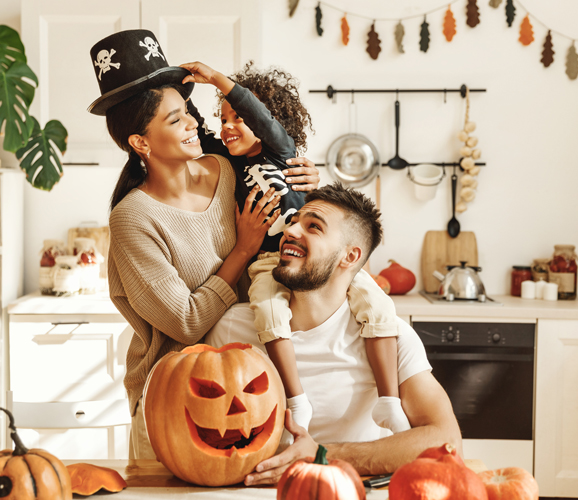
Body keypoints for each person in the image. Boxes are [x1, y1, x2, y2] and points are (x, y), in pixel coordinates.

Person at [85, 29, 318, 459]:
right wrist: (241, 252)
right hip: (177, 405)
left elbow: (271, 157)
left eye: (188, 111)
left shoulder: (226, 168)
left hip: (253, 393)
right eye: (175, 120)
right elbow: (187, 322)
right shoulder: (133, 218)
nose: (195, 124)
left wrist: (306, 181)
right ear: (140, 142)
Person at [180, 60, 407, 438]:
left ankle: (390, 401)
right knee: (268, 312)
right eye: (223, 119)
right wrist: (178, 90)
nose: (228, 126)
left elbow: (258, 114)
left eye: (238, 117)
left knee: (378, 304)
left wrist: (218, 80)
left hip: (320, 259)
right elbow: (197, 132)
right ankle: (296, 400)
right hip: (268, 263)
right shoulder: (227, 165)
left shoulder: (282, 153)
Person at [204, 183, 462, 483]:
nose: (291, 231)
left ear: (350, 257)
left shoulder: (392, 338)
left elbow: (447, 441)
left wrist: (321, 455)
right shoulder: (232, 327)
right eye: (294, 221)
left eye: (313, 227)